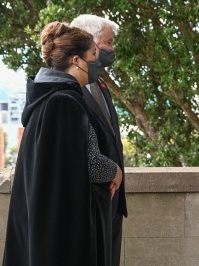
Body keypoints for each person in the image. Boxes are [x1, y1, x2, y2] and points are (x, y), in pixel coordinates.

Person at [2, 22, 122, 266]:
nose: (97, 64)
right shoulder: (65, 102)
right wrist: (115, 171)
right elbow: (90, 162)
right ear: (77, 60)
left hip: (44, 225)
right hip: (64, 231)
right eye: (92, 57)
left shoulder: (44, 98)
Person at [71, 14, 127, 266]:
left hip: (112, 203)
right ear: (90, 43)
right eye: (108, 42)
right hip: (89, 203)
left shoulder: (101, 85)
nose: (111, 50)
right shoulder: (70, 91)